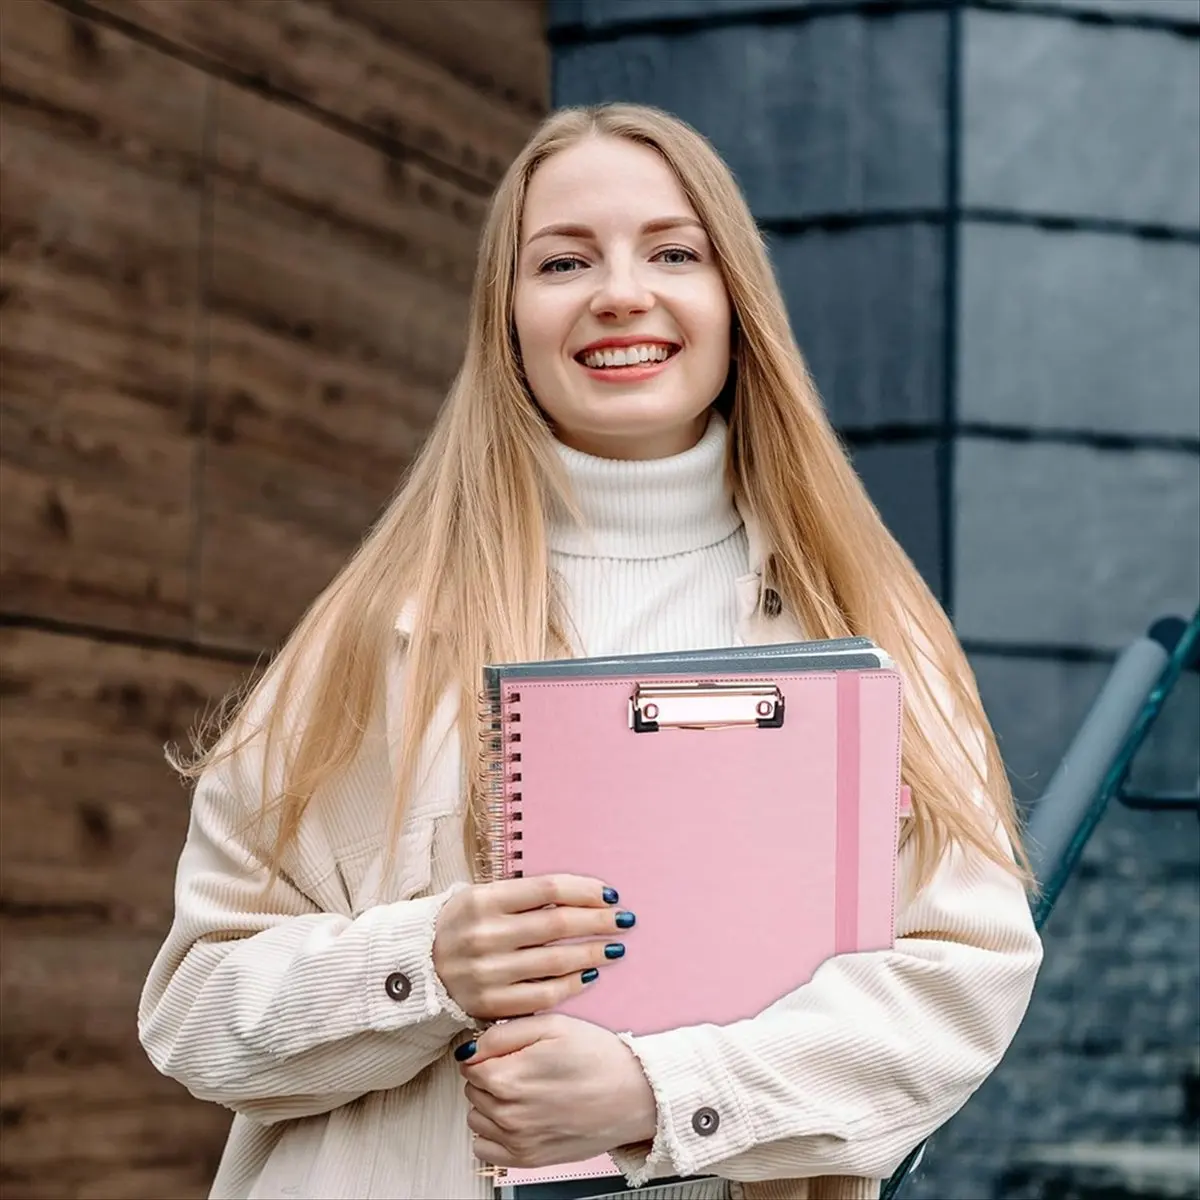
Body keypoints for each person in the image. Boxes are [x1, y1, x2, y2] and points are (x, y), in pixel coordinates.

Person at [138, 103, 1043, 1200]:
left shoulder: (864, 631)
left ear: (734, 302)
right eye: (563, 260)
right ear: (506, 318)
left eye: (672, 251)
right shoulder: (372, 631)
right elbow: (196, 1010)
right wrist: (422, 966)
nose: (622, 290)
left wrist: (662, 1094)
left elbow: (961, 981)